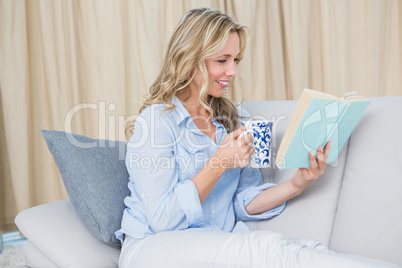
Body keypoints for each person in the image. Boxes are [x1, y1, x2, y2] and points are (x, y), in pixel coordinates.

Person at [115, 7, 400, 268]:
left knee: (307, 249)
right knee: (269, 250)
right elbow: (164, 219)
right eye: (222, 60)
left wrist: (298, 183)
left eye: (235, 59)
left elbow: (241, 203)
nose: (233, 71)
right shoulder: (155, 122)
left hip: (213, 242)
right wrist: (218, 163)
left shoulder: (232, 122)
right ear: (190, 60)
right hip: (153, 247)